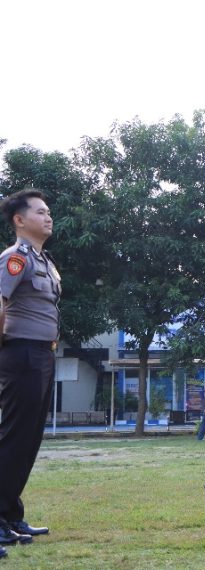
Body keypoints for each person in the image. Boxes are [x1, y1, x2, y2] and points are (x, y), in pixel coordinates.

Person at [0, 188, 59, 546]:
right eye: (39, 212)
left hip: (42, 356)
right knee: (12, 438)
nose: (47, 217)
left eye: (48, 211)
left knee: (28, 441)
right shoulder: (14, 258)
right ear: (19, 221)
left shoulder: (45, 261)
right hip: (20, 354)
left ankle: (11, 516)